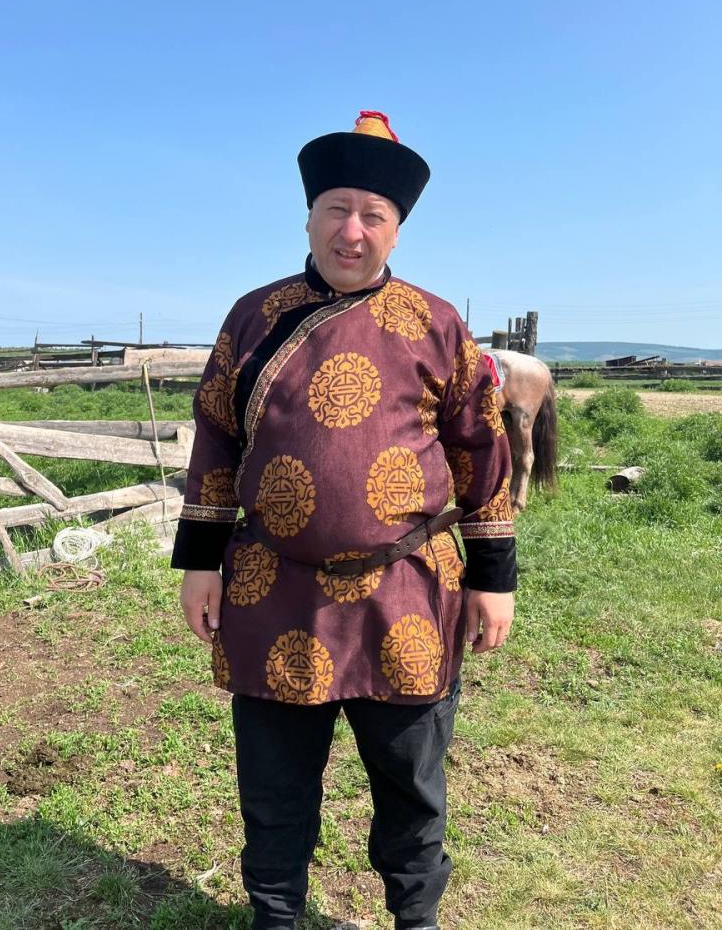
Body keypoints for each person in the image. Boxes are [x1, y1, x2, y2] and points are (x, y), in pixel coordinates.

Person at [173, 110, 516, 930]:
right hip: (272, 591)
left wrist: (494, 579)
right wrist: (198, 562)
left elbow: (481, 451)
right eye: (336, 210)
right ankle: (276, 917)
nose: (351, 231)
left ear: (396, 229)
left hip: (406, 592)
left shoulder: (437, 324)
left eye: (372, 215)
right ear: (309, 217)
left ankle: (415, 919)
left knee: (411, 785)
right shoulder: (254, 317)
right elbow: (217, 437)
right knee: (274, 786)